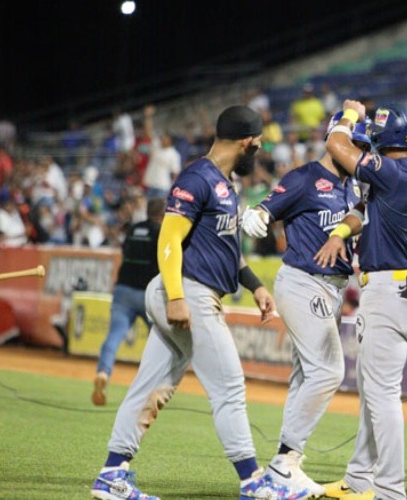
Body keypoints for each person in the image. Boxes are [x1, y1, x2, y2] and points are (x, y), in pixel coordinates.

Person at [90, 105, 292, 500]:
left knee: (153, 386)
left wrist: (255, 286)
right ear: (245, 141)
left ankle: (112, 474)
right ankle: (253, 482)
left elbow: (228, 251)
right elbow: (168, 239)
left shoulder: (224, 184)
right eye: (259, 142)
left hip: (191, 291)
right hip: (185, 291)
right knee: (230, 385)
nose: (262, 148)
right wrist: (178, 297)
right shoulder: (198, 177)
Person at [240, 111, 369, 498]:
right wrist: (257, 217)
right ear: (336, 139)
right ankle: (284, 462)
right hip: (303, 280)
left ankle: (286, 464)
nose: (359, 150)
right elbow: (267, 209)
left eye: (363, 145)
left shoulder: (351, 186)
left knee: (305, 376)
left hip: (331, 288)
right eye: (355, 142)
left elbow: (359, 216)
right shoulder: (304, 176)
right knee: (328, 370)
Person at [315, 101, 407, 500]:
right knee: (372, 390)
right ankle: (360, 477)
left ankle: (390, 491)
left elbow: (336, 144)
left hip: (390, 289)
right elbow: (366, 208)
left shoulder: (394, 171)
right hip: (400, 286)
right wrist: (340, 233)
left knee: (381, 397)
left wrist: (348, 116)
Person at [92, 198, 165, 406]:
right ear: (162, 214)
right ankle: (154, 387)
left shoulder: (134, 229)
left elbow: (125, 253)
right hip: (147, 294)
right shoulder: (161, 232)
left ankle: (103, 372)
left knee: (114, 336)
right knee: (161, 341)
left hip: (123, 290)